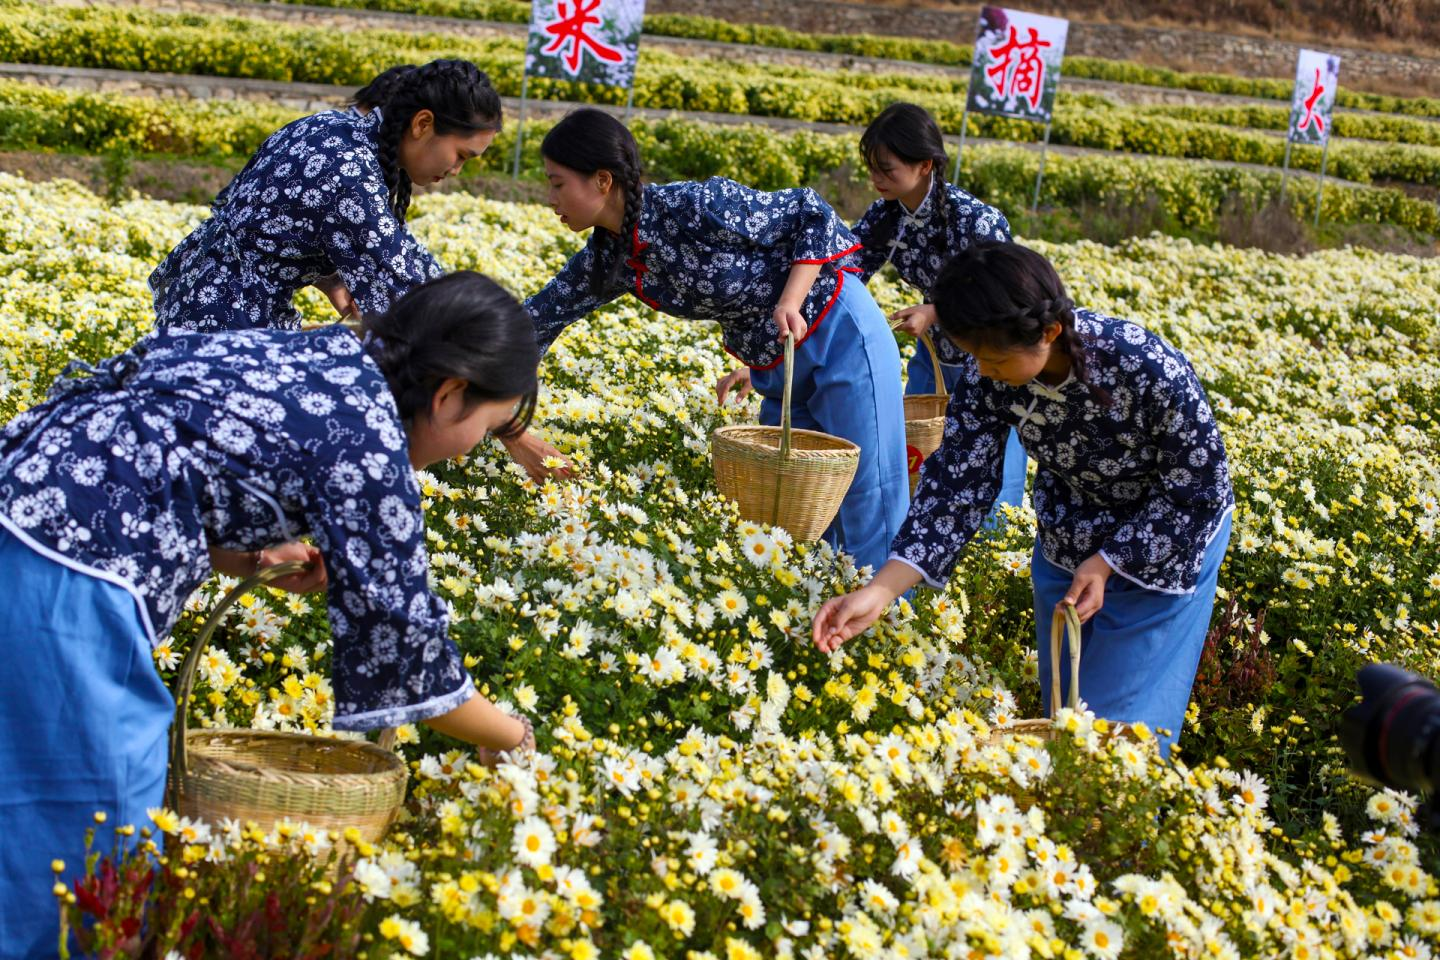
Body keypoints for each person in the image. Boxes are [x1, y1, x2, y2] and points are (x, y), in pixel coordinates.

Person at [0, 271, 539, 959]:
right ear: (450, 394)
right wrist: (508, 733)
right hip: (71, 565)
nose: (472, 449)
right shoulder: (373, 448)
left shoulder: (327, 357)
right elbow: (409, 657)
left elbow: (182, 434)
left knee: (31, 786)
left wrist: (245, 555)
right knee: (92, 827)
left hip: (24, 498)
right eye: (489, 429)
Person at [812, 243, 1234, 757]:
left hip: (1164, 543)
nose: (982, 372)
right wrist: (879, 593)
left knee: (1119, 731)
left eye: (992, 358)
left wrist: (1109, 562)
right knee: (1065, 714)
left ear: (1049, 332)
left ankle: (1119, 829)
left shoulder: (1145, 367)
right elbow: (955, 490)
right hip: (1067, 535)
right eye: (974, 358)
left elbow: (1200, 491)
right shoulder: (990, 380)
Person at [511, 108, 909, 571]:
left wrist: (790, 300)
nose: (549, 198)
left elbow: (811, 212)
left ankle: (885, 621)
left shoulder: (694, 206)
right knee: (794, 507)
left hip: (837, 327)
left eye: (557, 184)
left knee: (866, 492)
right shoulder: (609, 256)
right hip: (777, 363)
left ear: (602, 180)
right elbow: (535, 321)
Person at [150, 59, 501, 333]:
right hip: (227, 322)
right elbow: (407, 293)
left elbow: (260, 223)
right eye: (462, 155)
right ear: (423, 124)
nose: (457, 170)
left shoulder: (330, 127)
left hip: (201, 301)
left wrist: (331, 280)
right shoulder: (351, 174)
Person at [851, 102, 1026, 510]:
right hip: (934, 357)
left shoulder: (975, 220)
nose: (876, 179)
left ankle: (996, 557)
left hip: (993, 360)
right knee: (921, 455)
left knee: (992, 468)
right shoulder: (886, 216)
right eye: (872, 168)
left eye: (887, 169)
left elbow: (1007, 299)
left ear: (925, 165)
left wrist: (935, 311)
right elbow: (847, 267)